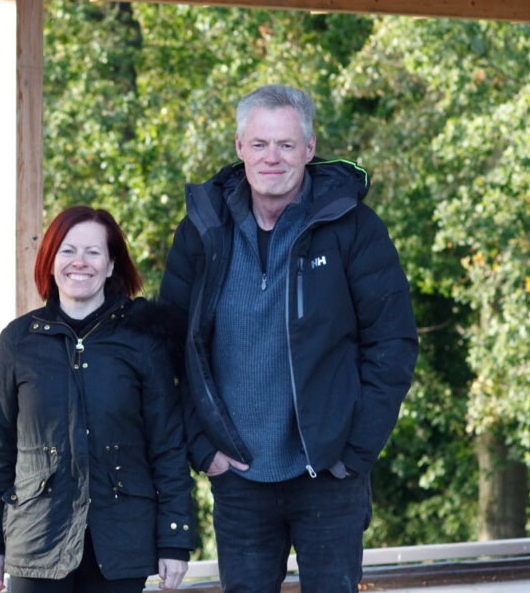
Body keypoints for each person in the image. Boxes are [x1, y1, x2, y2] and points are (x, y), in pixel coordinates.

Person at [159, 84, 419, 592]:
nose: (271, 158)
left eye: (285, 144)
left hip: (328, 473)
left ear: (309, 148)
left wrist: (354, 452)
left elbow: (392, 345)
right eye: (259, 144)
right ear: (239, 148)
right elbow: (171, 346)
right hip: (238, 477)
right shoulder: (203, 230)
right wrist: (201, 446)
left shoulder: (353, 228)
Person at [0, 206, 196, 593]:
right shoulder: (18, 342)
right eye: (68, 250)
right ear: (50, 261)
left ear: (111, 265)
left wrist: (175, 538)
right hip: (37, 537)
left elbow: (168, 447)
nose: (80, 262)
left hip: (122, 540)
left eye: (93, 252)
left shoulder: (143, 341)